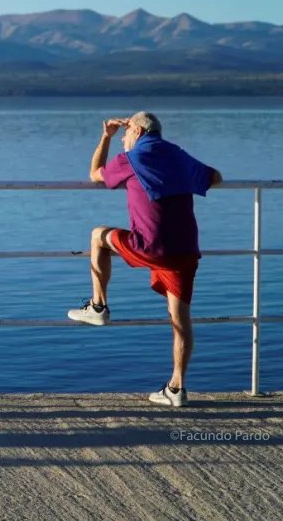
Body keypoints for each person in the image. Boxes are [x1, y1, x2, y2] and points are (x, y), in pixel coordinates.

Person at [67, 112, 222, 407]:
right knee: (181, 319)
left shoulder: (132, 158)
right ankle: (176, 389)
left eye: (126, 135)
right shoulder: (177, 154)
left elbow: (95, 173)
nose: (124, 139)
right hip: (185, 250)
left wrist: (106, 137)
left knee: (98, 235)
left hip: (149, 246)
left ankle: (98, 305)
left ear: (137, 131)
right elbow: (215, 177)